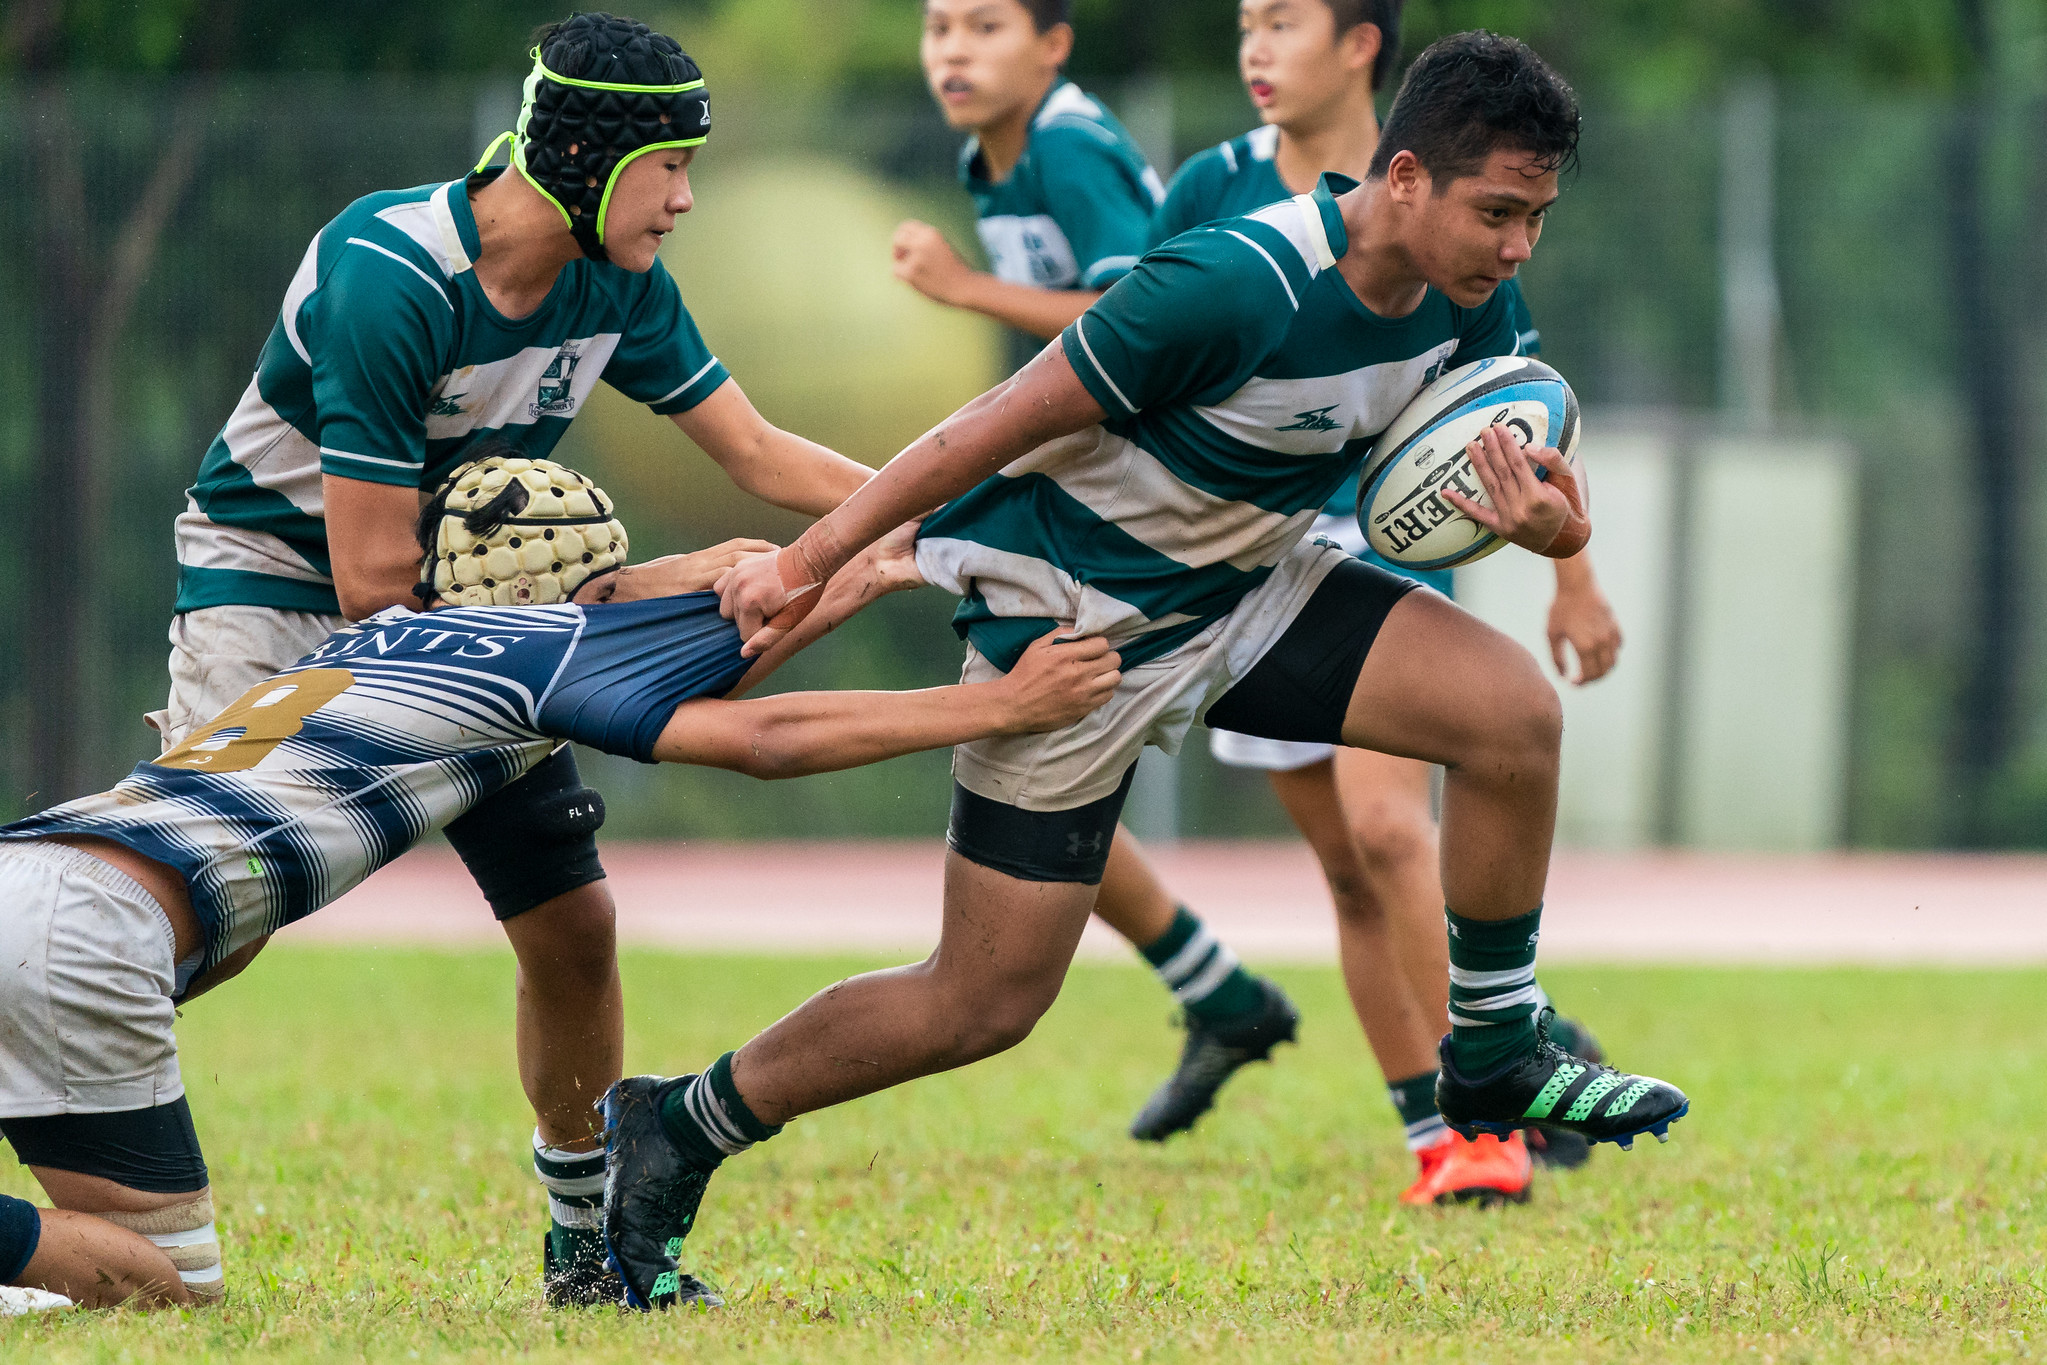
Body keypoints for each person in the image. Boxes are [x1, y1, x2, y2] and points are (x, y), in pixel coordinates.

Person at [607, 31, 1690, 1311]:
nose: (1517, 248)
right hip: (1079, 619)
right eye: (1498, 213)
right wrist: (816, 559)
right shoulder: (1236, 281)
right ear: (1404, 178)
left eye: (1537, 219)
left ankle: (1496, 1050)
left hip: (1249, 588)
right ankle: (682, 1121)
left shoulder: (1475, 302)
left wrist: (1555, 534)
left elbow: (1475, 464)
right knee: (983, 999)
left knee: (1509, 714)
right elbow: (981, 429)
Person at [0, 452, 1120, 1312]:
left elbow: (689, 668)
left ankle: (581, 1242)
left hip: (35, 866)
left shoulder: (380, 640)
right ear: (587, 591)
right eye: (630, 580)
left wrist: (857, 574)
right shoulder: (543, 650)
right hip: (91, 932)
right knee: (163, 1286)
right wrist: (997, 707)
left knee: (572, 930)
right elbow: (759, 736)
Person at [149, 11, 874, 1305]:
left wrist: (935, 516)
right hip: (276, 594)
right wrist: (643, 585)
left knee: (574, 927)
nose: (687, 199)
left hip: (482, 610)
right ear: (592, 160)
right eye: (670, 167)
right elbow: (373, 586)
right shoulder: (388, 273)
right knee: (202, 908)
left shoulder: (620, 281)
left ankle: (586, 1252)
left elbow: (762, 459)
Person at [1126, 0, 1631, 1202]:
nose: (1253, 47)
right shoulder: (1213, 189)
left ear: (1360, 43)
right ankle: (1439, 1138)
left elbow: (1518, 408)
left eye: (1283, 21)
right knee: (1350, 868)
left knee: (1394, 827)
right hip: (1241, 550)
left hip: (1380, 541)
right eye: (1245, 23)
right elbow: (1137, 347)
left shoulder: (1456, 201)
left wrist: (1574, 573)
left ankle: (1494, 1088)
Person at [892, 0, 1306, 1151]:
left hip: (1157, 515)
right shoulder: (999, 153)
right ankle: (1223, 993)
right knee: (1047, 780)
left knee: (1368, 837)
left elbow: (1140, 321)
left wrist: (965, 290)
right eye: (937, 29)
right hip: (1092, 500)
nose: (955, 52)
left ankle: (1493, 1047)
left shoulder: (1069, 147)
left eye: (984, 26)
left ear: (1055, 44)